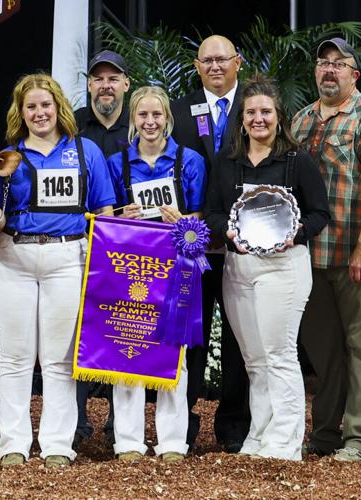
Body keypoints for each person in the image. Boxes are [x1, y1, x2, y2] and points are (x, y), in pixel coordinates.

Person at [0, 73, 115, 468]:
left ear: (59, 108)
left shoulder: (86, 151)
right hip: (13, 257)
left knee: (58, 358)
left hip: (68, 257)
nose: (39, 113)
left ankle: (57, 443)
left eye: (45, 105)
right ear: (21, 114)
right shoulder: (9, 158)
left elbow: (104, 211)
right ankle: (13, 443)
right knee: (15, 358)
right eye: (31, 107)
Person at [204, 76, 330, 461]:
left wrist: (297, 232)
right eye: (251, 112)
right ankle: (259, 436)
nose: (259, 119)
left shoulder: (296, 161)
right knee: (254, 361)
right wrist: (225, 231)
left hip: (283, 268)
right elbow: (211, 212)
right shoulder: (227, 163)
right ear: (241, 119)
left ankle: (286, 441)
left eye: (266, 112)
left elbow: (319, 213)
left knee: (279, 354)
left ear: (279, 116)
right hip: (238, 269)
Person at [289, 37, 361, 462]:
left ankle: (359, 437)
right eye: (323, 62)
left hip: (354, 255)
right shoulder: (300, 121)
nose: (329, 70)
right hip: (309, 256)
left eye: (340, 63)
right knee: (324, 349)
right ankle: (324, 434)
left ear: (355, 74)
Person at [105, 85, 206, 462]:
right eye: (143, 115)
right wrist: (119, 215)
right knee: (126, 347)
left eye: (157, 115)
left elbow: (200, 214)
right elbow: (105, 216)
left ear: (168, 118)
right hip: (129, 267)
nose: (150, 122)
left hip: (174, 269)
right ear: (133, 120)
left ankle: (172, 442)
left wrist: (185, 221)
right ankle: (128, 440)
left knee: (172, 352)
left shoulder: (189, 161)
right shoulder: (117, 164)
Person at [168, 34, 250, 452]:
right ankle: (181, 422)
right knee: (190, 335)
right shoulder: (178, 111)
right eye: (207, 60)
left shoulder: (255, 108)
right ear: (197, 66)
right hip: (190, 247)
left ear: (238, 62)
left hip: (242, 243)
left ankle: (234, 424)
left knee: (239, 336)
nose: (215, 66)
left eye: (222, 59)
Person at [70, 49, 132, 447]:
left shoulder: (143, 121)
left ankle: (118, 425)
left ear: (127, 84)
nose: (105, 85)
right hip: (79, 243)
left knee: (122, 328)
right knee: (76, 332)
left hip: (131, 242)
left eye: (114, 78)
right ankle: (74, 425)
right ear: (89, 84)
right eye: (98, 78)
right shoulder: (71, 124)